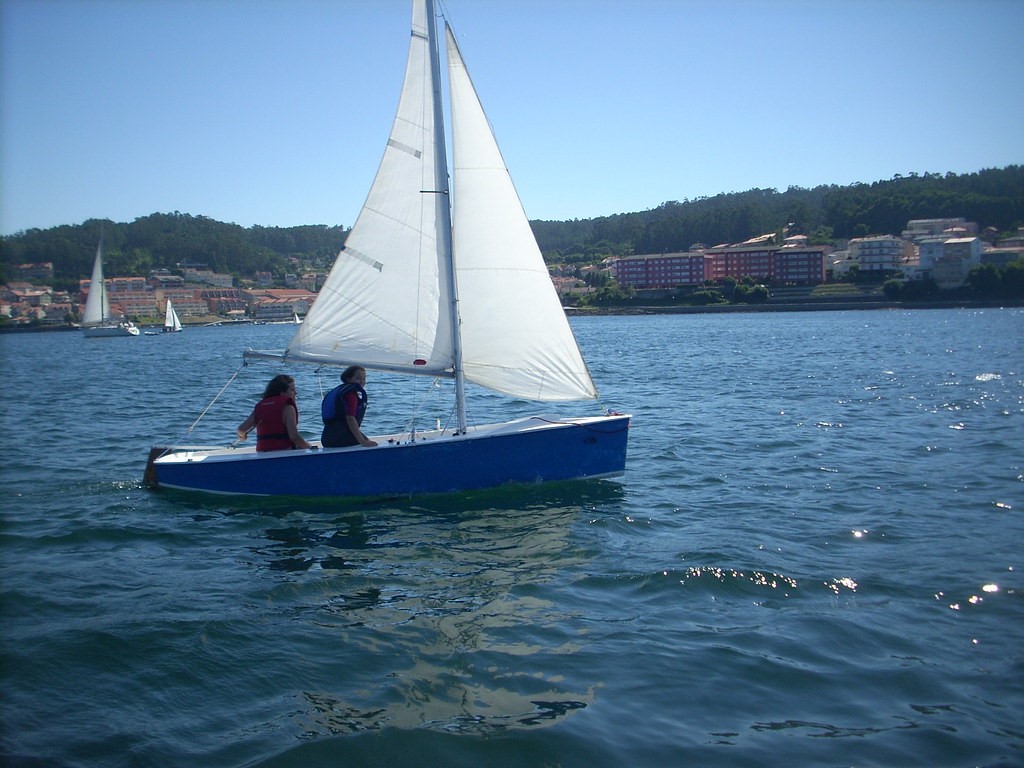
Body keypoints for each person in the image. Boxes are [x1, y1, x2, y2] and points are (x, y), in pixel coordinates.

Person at [236, 374, 312, 452]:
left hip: (262, 453)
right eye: (292, 390)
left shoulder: (261, 406)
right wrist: (309, 447)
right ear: (282, 393)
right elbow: (294, 436)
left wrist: (243, 436)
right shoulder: (288, 408)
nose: (296, 393)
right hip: (284, 452)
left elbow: (241, 429)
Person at [321, 365, 378, 448]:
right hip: (341, 436)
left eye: (364, 378)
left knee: (367, 440)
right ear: (348, 379)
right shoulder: (350, 394)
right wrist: (362, 441)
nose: (362, 381)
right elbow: (350, 418)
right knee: (371, 445)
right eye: (358, 378)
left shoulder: (339, 390)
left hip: (327, 437)